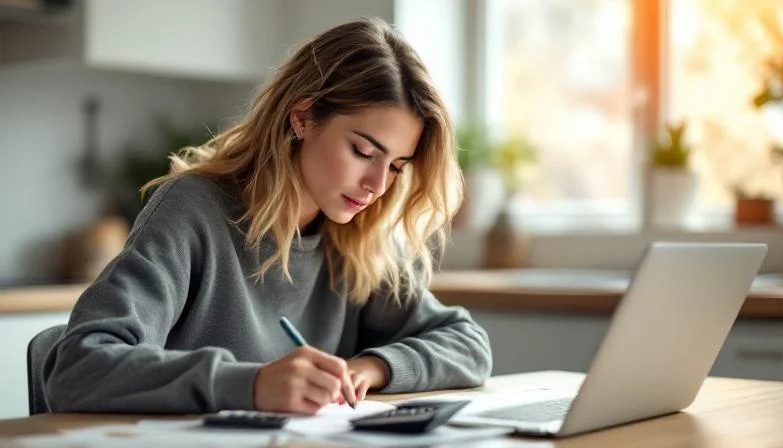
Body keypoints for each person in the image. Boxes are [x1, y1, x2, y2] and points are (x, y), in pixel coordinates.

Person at [43, 17, 492, 415]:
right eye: (363, 151)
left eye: (396, 166)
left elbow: (469, 345)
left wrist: (373, 367)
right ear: (303, 118)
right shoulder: (192, 210)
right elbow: (78, 367)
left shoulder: (361, 237)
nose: (377, 185)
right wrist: (251, 384)